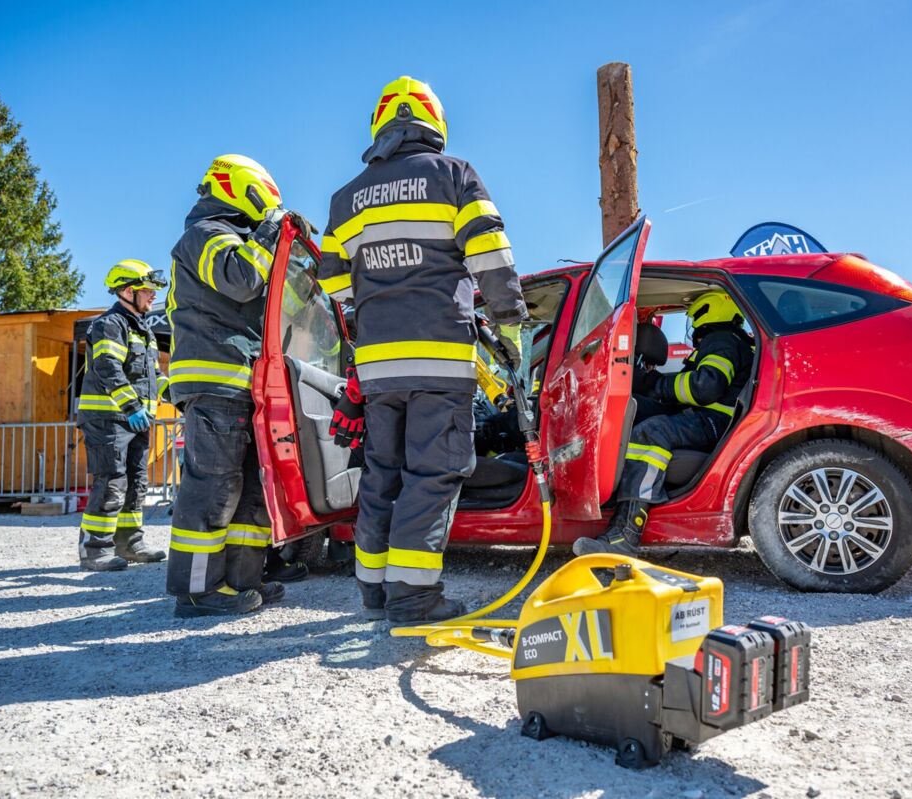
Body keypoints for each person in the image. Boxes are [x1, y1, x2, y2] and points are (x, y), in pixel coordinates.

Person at [317, 76, 528, 623]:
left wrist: (378, 298)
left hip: (378, 367)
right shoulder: (454, 175)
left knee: (382, 475)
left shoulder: (345, 198)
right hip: (439, 360)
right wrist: (509, 324)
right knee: (431, 475)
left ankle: (374, 590)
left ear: (380, 124)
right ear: (434, 121)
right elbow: (491, 256)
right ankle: (413, 598)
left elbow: (333, 283)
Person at [164, 154, 311, 617]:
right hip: (215, 380)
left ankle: (243, 578)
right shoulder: (204, 234)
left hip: (244, 384)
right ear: (241, 189)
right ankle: (197, 591)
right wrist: (270, 232)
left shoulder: (243, 241)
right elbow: (242, 280)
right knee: (213, 487)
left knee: (250, 488)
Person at [572, 290, 754, 556]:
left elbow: (704, 388)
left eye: (694, 318)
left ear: (709, 312)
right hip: (708, 418)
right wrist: (647, 386)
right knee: (632, 409)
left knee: (651, 432)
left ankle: (626, 534)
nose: (693, 326)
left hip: (713, 421)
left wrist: (656, 384)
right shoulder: (728, 341)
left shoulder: (722, 340)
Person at [75, 260, 169, 571]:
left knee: (136, 483)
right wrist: (131, 406)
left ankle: (129, 543)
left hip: (136, 420)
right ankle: (95, 550)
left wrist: (180, 397)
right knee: (112, 481)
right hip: (109, 419)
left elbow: (153, 376)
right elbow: (108, 368)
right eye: (148, 290)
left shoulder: (143, 329)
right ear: (128, 291)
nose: (153, 295)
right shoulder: (109, 324)